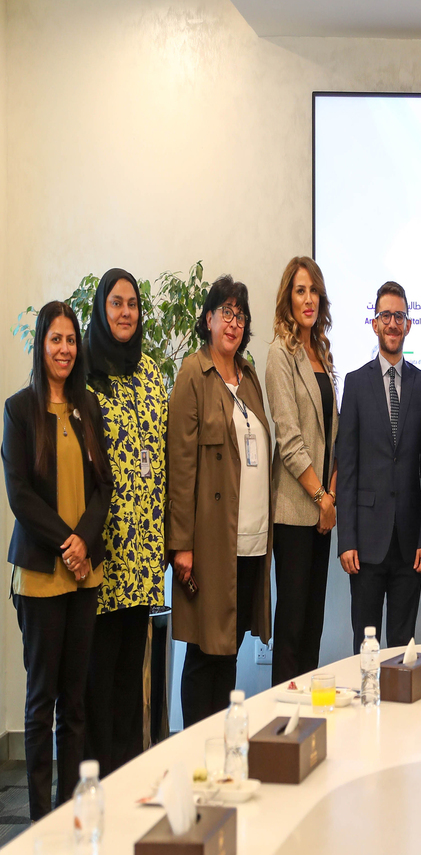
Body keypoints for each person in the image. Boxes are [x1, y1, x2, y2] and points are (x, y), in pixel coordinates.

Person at [3, 301, 111, 819]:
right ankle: (39, 820)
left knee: (75, 701)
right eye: (55, 340)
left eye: (71, 340)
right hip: (43, 576)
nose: (65, 349)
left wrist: (84, 542)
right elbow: (20, 496)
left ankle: (70, 813)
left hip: (85, 575)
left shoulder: (88, 407)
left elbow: (104, 488)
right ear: (41, 345)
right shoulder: (18, 410)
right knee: (40, 700)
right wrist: (69, 544)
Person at [168, 276, 273, 727]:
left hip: (249, 540)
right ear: (208, 319)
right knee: (204, 651)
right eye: (225, 312)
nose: (233, 322)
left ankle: (220, 742)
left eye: (240, 315)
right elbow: (180, 465)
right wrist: (181, 544)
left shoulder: (248, 377)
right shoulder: (193, 374)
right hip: (210, 542)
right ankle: (197, 745)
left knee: (229, 647)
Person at [83, 269, 168, 776]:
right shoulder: (84, 374)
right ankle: (96, 786)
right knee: (99, 678)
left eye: (132, 304)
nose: (125, 312)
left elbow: (165, 455)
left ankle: (127, 780)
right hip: (102, 552)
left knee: (131, 680)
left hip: (144, 554)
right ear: (101, 309)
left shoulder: (151, 373)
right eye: (116, 303)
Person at [337, 280, 421, 652]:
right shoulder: (355, 384)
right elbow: (347, 467)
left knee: (402, 649)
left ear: (408, 324)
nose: (393, 323)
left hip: (410, 545)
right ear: (374, 323)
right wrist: (346, 539)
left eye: (399, 316)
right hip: (365, 544)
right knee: (365, 648)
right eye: (386, 316)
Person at [266, 257, 339, 684]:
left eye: (313, 290)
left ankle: (308, 714)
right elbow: (290, 440)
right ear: (288, 299)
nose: (308, 299)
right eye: (300, 290)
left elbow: (332, 437)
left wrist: (330, 497)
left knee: (313, 625)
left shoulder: (321, 353)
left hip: (322, 510)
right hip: (296, 511)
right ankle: (283, 715)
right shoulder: (281, 353)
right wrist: (320, 497)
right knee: (292, 628)